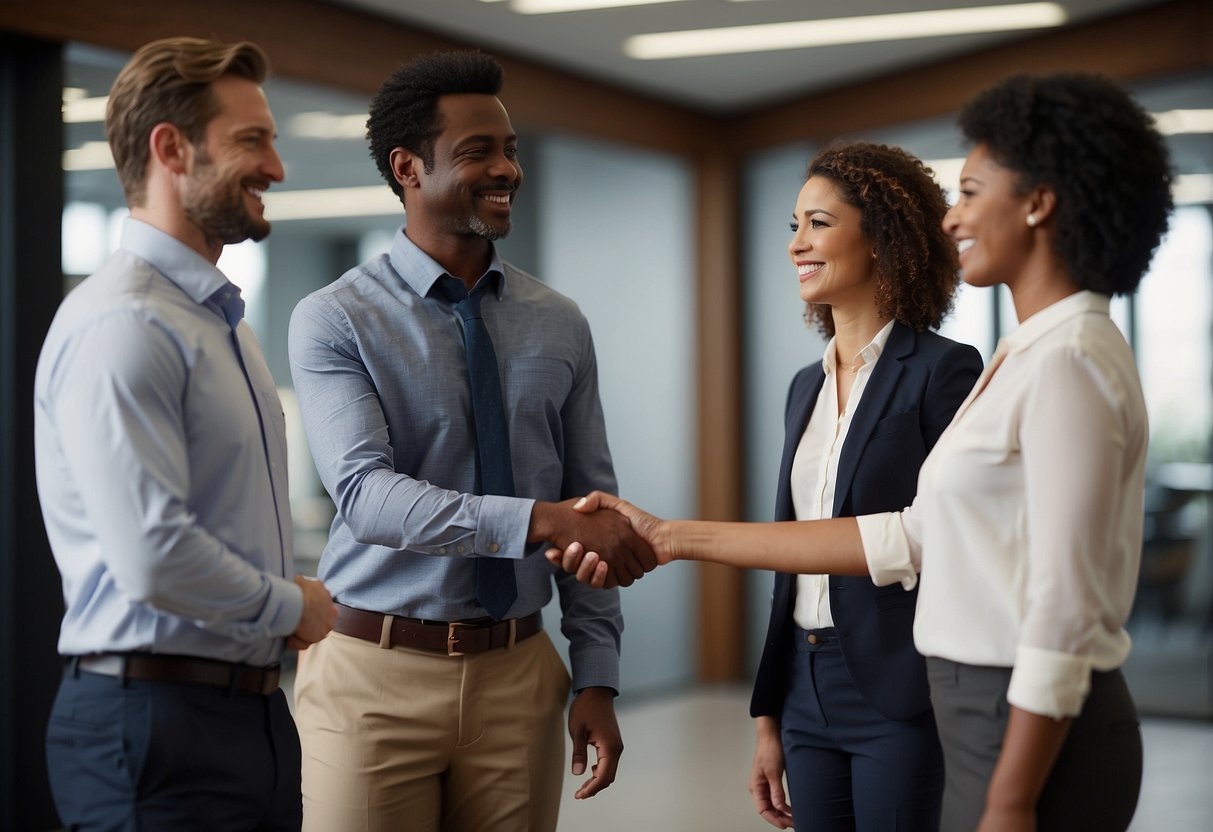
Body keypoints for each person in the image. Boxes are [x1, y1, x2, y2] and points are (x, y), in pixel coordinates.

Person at [550, 72, 1172, 832]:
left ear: (1038, 201)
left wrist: (1009, 801)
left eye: (972, 192)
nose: (954, 218)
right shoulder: (1023, 353)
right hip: (850, 684)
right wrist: (674, 543)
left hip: (934, 691)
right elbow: (910, 532)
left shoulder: (1032, 360)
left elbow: (1054, 602)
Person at [287, 50, 654, 832]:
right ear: (407, 168)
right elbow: (366, 497)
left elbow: (591, 501)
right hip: (371, 677)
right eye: (477, 152)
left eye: (511, 149)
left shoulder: (558, 320)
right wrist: (543, 521)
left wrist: (596, 673)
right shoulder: (335, 318)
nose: (506, 170)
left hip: (519, 675)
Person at [35, 37, 337, 830]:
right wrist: (288, 605)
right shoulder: (125, 322)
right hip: (152, 726)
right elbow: (151, 553)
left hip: (249, 714)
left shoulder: (223, 326)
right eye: (252, 140)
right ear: (170, 149)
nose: (276, 167)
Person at [745, 143, 981, 831]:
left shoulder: (941, 372)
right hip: (802, 685)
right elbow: (793, 555)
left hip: (896, 688)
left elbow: (954, 542)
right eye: (792, 226)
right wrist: (768, 715)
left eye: (816, 223)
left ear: (880, 238)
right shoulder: (802, 388)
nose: (797, 244)